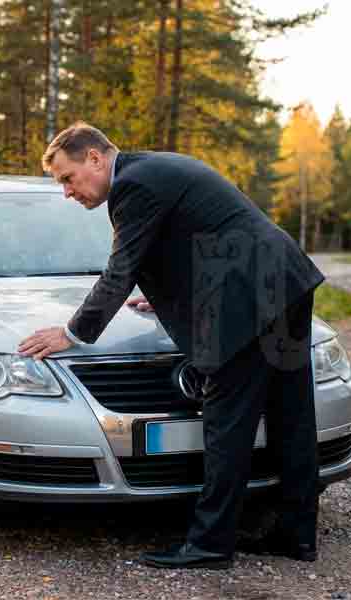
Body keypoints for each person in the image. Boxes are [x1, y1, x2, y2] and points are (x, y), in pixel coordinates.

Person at [18, 122, 325, 570]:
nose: (67, 191)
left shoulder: (132, 186)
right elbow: (199, 236)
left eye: (67, 178)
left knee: (226, 424)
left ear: (95, 159)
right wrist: (168, 293)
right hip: (284, 281)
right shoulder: (154, 169)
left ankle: (210, 544)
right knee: (290, 414)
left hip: (248, 300)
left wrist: (72, 332)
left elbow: (120, 269)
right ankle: (297, 534)